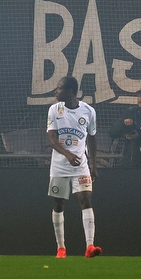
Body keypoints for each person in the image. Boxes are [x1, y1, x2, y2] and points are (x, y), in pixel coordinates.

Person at [47, 76, 100, 259]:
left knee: (86, 200)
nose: (56, 91)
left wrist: (93, 165)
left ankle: (90, 246)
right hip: (60, 166)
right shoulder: (54, 110)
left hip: (81, 166)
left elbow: (92, 138)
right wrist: (68, 155)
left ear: (70, 91)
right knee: (59, 204)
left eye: (59, 88)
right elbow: (52, 140)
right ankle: (61, 248)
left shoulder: (89, 111)